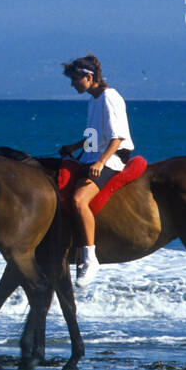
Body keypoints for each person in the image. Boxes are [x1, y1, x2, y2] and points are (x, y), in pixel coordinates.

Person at [57, 53, 134, 287]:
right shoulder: (93, 100)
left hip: (112, 159)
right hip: (94, 156)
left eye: (75, 79)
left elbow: (117, 137)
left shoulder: (110, 97)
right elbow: (93, 137)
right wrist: (74, 146)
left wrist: (101, 162)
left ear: (88, 77)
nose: (72, 84)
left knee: (80, 200)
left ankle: (90, 259)